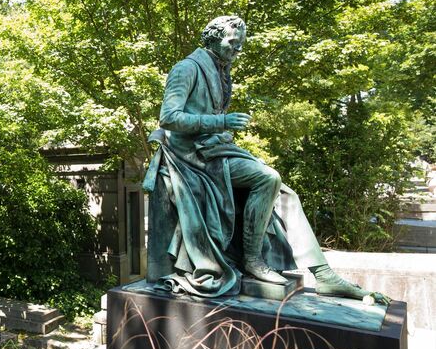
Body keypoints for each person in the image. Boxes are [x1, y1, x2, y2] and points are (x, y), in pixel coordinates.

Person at [143, 16, 385, 302]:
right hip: (191, 157)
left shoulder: (221, 71)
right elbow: (169, 117)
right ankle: (252, 259)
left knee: (283, 192)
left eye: (241, 44)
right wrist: (221, 122)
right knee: (267, 178)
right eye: (233, 42)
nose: (238, 49)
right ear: (212, 39)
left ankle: (323, 274)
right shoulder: (187, 68)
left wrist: (221, 128)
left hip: (215, 150)